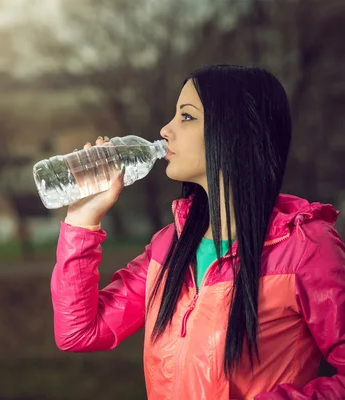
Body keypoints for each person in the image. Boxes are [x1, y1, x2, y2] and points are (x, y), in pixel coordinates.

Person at [50, 64, 345, 399]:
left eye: (186, 117)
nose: (165, 129)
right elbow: (79, 332)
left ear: (237, 131)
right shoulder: (169, 248)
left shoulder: (306, 248)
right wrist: (82, 217)